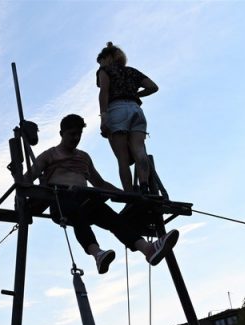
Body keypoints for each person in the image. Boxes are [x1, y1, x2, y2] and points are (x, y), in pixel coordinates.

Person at [19, 114, 180, 275]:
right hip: (60, 199)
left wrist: (127, 195)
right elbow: (27, 178)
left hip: (85, 198)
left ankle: (148, 249)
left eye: (79, 134)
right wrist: (20, 178)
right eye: (72, 134)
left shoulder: (83, 157)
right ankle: (97, 253)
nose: (76, 138)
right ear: (62, 133)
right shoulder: (50, 155)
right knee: (77, 213)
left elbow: (100, 184)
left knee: (112, 218)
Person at [95, 42, 159, 192]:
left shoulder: (104, 70)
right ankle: (144, 185)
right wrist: (136, 94)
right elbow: (153, 87)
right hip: (136, 109)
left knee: (122, 158)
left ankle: (130, 193)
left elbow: (103, 92)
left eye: (101, 60)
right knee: (140, 150)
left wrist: (104, 117)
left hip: (116, 109)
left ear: (107, 58)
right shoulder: (132, 71)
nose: (100, 64)